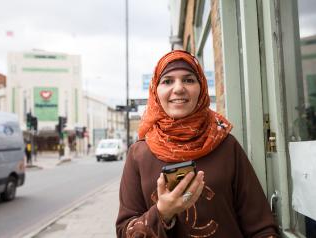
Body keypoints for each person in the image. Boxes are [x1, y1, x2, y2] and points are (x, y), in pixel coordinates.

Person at [116, 50, 279, 237]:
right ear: (155, 91)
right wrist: (162, 211)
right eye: (167, 81)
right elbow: (123, 231)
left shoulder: (225, 145)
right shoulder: (139, 153)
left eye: (188, 80)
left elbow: (260, 225)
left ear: (201, 88)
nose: (178, 88)